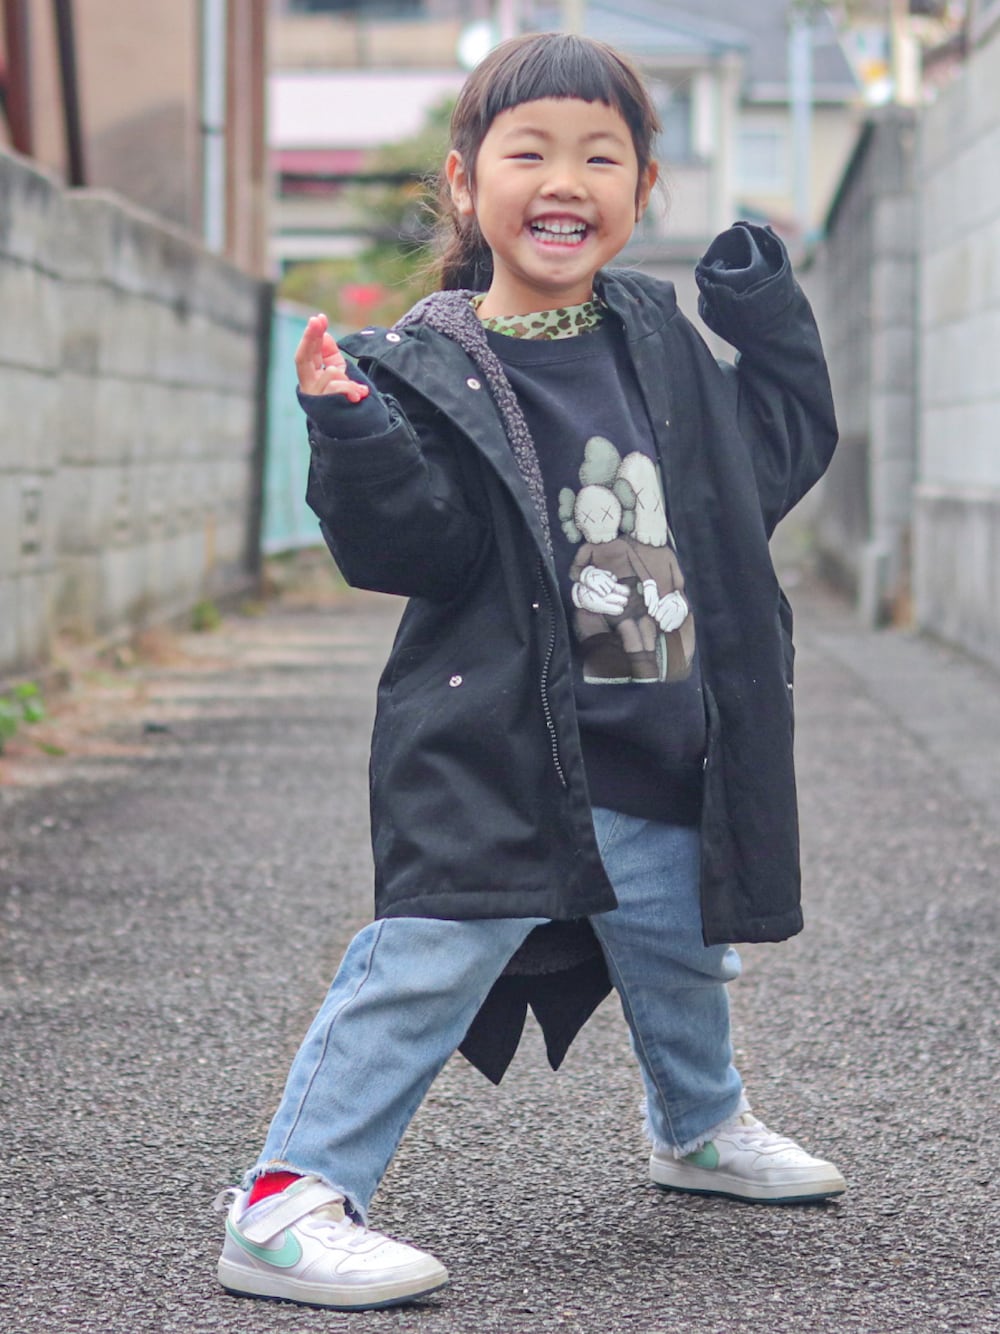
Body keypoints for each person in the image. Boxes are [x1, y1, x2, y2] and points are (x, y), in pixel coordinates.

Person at [217, 31, 845, 1313]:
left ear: (643, 191)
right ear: (465, 183)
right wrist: (351, 428)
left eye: (601, 157)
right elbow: (413, 550)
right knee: (422, 962)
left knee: (682, 949)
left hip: (665, 744)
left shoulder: (658, 338)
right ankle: (285, 1199)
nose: (566, 180)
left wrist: (761, 310)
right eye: (530, 153)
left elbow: (766, 462)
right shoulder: (425, 363)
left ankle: (697, 1126)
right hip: (505, 750)